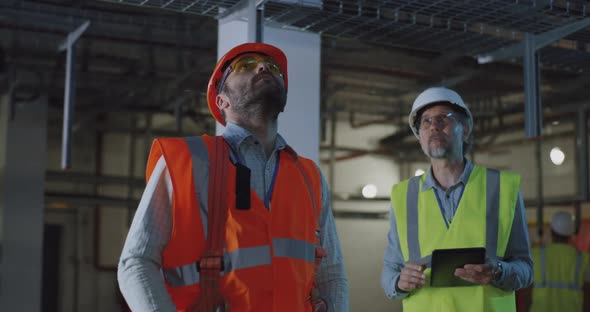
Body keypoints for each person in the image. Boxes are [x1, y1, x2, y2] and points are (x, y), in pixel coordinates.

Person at [118, 43, 349, 312]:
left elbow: (331, 273)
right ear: (222, 100)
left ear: (284, 98)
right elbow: (136, 262)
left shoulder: (309, 176)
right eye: (245, 65)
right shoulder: (187, 161)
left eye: (273, 68)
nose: (264, 67)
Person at [381, 87, 533, 311]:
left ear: (465, 130)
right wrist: (399, 283)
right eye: (426, 121)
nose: (434, 126)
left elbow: (526, 269)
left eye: (443, 119)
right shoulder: (403, 195)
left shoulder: (502, 187)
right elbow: (390, 270)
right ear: (420, 138)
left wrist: (498, 272)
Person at [521, 211, 590, 312]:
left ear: (551, 231)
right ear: (571, 232)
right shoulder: (583, 258)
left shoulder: (535, 255)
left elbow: (526, 292)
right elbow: (588, 294)